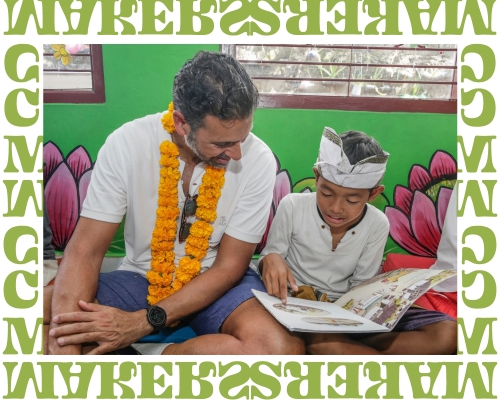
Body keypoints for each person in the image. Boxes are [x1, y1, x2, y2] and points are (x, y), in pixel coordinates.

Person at [44, 51, 304, 355]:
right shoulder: (127, 143)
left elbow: (229, 266)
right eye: (222, 143)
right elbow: (84, 252)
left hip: (218, 282)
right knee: (40, 321)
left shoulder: (258, 160)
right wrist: (65, 345)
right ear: (181, 123)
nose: (236, 154)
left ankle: (160, 358)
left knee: (280, 349)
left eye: (241, 138)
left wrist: (142, 323)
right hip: (141, 277)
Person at [259, 127, 457, 355]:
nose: (335, 208)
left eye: (352, 200)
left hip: (347, 312)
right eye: (326, 193)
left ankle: (332, 345)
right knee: (323, 340)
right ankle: (331, 345)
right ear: (316, 177)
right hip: (294, 305)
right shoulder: (292, 206)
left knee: (446, 332)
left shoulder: (377, 223)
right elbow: (270, 260)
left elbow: (361, 289)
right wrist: (270, 259)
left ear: (373, 194)